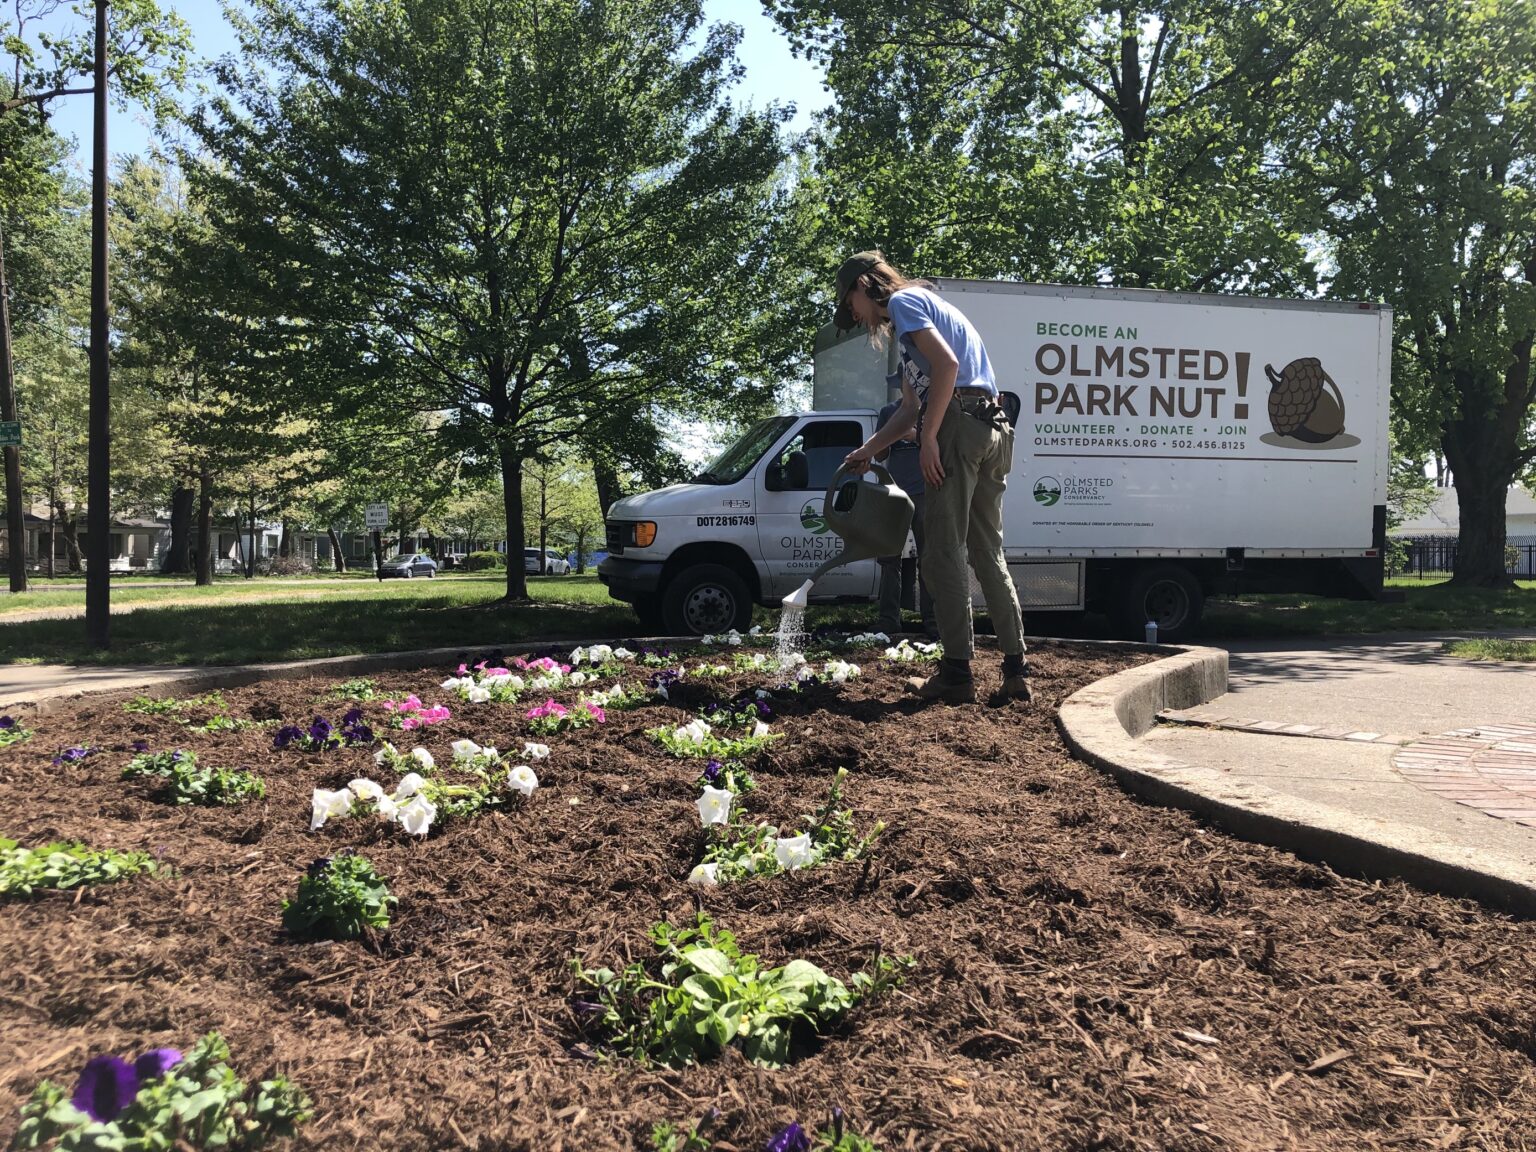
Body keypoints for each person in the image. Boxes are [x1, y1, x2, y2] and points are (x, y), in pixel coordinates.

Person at [835, 250, 1029, 704]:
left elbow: (946, 369)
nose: (854, 315)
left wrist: (929, 440)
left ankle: (957, 675)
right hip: (993, 428)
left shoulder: (904, 304)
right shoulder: (920, 319)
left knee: (942, 554)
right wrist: (869, 450)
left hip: (960, 428)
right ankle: (1016, 670)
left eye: (850, 304)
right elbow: (909, 408)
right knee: (987, 552)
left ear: (864, 285)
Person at [873, 398, 936, 638]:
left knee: (928, 559)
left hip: (926, 492)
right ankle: (888, 620)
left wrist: (916, 435)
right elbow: (879, 456)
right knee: (889, 559)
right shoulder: (888, 411)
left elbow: (944, 444)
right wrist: (889, 436)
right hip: (894, 493)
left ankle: (932, 622)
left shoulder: (935, 407)